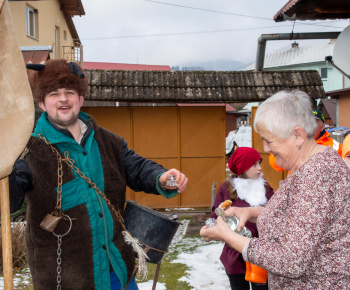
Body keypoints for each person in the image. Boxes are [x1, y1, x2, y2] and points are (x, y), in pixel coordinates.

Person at [10, 59, 188, 290]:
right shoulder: (27, 152)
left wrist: (161, 176)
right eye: (54, 93)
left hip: (118, 272)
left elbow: (137, 168)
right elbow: (9, 199)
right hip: (65, 280)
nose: (63, 99)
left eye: (70, 92)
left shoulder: (108, 141)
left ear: (81, 99)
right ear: (42, 103)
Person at [200, 90, 350, 288]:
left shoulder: (316, 174)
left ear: (298, 135)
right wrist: (251, 212)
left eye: (269, 140)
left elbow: (291, 261)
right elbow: (298, 217)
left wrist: (228, 236)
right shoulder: (309, 165)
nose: (266, 148)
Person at [211, 147, 273, 290]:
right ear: (242, 167)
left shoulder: (264, 186)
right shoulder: (227, 188)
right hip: (235, 253)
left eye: (259, 163)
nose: (260, 168)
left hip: (260, 253)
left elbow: (274, 212)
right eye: (254, 164)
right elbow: (215, 215)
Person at [268, 109, 342, 171]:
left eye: (314, 123)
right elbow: (275, 164)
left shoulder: (335, 146)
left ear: (322, 127)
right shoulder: (294, 141)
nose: (309, 126)